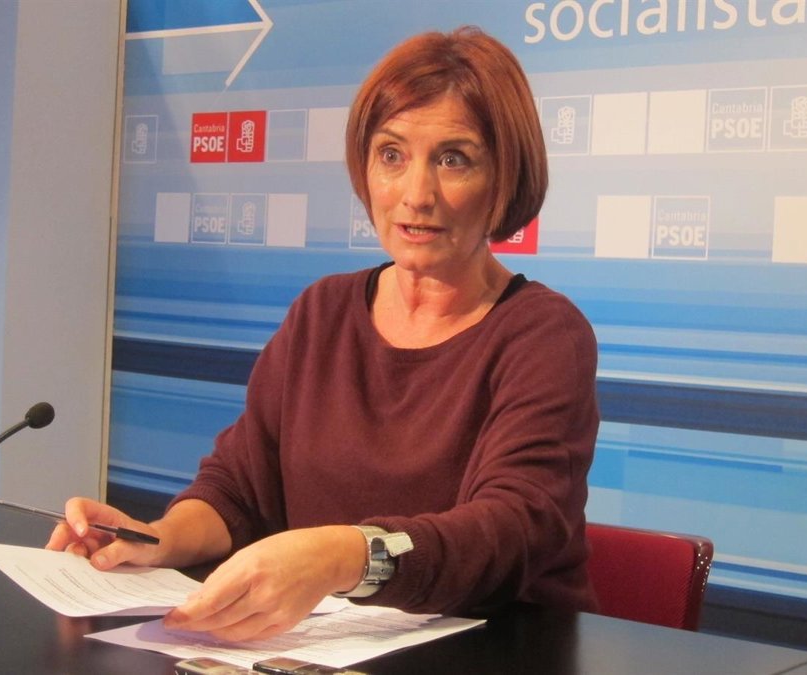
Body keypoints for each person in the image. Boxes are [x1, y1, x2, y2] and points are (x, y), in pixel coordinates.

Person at [47, 25, 600, 642]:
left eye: (453, 159)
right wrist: (154, 539)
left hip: (498, 650)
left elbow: (511, 530)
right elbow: (239, 489)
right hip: (327, 648)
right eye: (392, 155)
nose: (416, 194)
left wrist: (344, 555)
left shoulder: (544, 335)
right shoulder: (324, 311)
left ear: (504, 177)